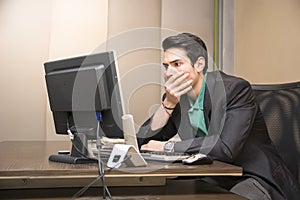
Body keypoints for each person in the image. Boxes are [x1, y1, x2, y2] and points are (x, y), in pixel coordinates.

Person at [137, 32, 300, 200]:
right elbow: (144, 142)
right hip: (208, 175)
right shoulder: (179, 98)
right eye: (166, 66)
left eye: (177, 64)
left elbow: (225, 147)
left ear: (199, 64)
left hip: (250, 176)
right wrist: (168, 104)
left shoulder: (235, 89)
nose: (169, 73)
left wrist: (167, 147)